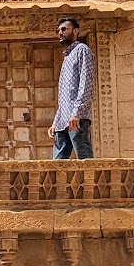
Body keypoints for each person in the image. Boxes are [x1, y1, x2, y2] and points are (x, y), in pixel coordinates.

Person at [48, 18, 95, 160]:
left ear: (75, 31)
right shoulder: (67, 58)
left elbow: (87, 84)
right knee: (56, 166)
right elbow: (64, 96)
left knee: (85, 161)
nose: (60, 33)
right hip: (62, 121)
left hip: (76, 119)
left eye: (64, 29)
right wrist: (56, 122)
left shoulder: (82, 51)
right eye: (58, 31)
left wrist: (77, 113)